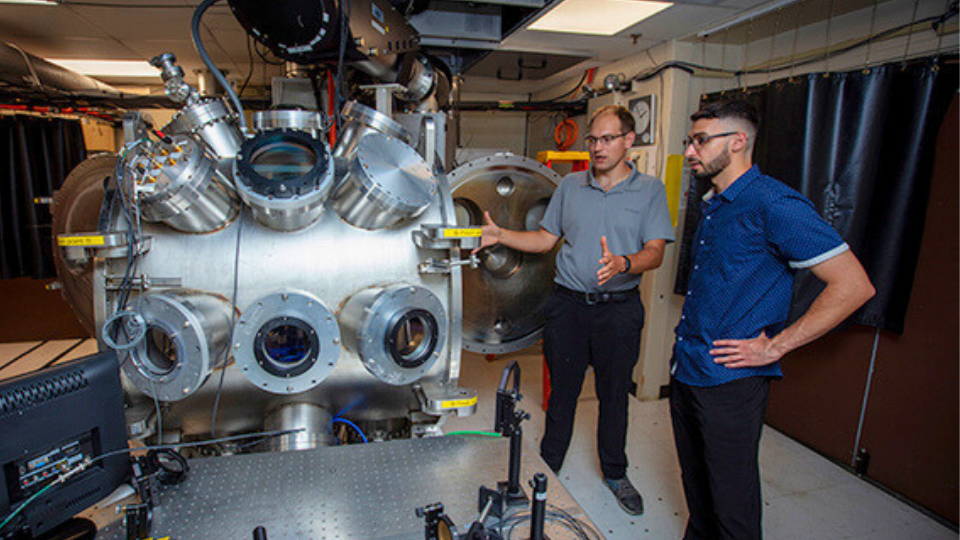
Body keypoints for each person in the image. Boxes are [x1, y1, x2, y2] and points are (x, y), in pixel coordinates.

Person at [671, 100, 876, 540]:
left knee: (732, 507)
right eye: (691, 140)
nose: (691, 151)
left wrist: (774, 346)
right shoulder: (716, 202)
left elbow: (854, 286)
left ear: (739, 141)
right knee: (700, 493)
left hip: (730, 380)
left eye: (701, 140)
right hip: (688, 369)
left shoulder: (773, 202)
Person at [477, 105, 675, 516]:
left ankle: (615, 473)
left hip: (618, 310)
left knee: (614, 396)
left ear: (628, 140)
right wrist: (500, 235)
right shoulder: (569, 185)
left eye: (607, 139)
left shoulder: (650, 190)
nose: (597, 147)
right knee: (561, 394)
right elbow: (546, 239)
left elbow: (655, 252)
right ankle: (548, 465)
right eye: (592, 139)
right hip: (567, 306)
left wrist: (624, 264)